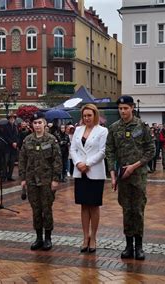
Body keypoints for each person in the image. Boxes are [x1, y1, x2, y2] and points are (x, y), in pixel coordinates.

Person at [106, 96, 155, 260]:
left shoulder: (141, 126)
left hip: (138, 176)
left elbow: (151, 150)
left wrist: (134, 166)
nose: (122, 111)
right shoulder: (114, 128)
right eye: (120, 108)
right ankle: (128, 246)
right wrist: (112, 174)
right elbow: (110, 151)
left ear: (132, 108)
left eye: (125, 108)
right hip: (122, 177)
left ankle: (139, 246)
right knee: (127, 210)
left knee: (138, 211)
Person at [19, 111, 62, 251]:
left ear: (44, 124)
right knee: (36, 210)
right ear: (32, 125)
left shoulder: (51, 140)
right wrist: (23, 178)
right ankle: (38, 237)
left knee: (46, 209)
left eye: (40, 123)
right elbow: (22, 160)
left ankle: (48, 238)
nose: (37, 125)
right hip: (31, 181)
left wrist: (55, 179)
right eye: (35, 123)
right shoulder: (27, 140)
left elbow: (57, 160)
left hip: (46, 181)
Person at [69, 104, 108, 253]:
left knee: (94, 206)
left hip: (94, 172)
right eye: (84, 116)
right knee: (84, 206)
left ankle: (94, 238)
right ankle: (85, 237)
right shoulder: (78, 130)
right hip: (80, 172)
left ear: (95, 115)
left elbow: (102, 151)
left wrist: (87, 164)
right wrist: (78, 163)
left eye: (89, 115)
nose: (87, 118)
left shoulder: (102, 131)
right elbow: (73, 149)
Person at [1, 113, 18, 181]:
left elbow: (17, 136)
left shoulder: (16, 126)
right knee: (5, 162)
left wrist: (16, 143)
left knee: (12, 162)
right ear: (8, 119)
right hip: (7, 147)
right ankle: (4, 176)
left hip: (14, 148)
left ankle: (9, 176)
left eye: (13, 118)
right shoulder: (5, 126)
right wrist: (12, 143)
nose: (12, 119)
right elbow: (5, 137)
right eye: (11, 118)